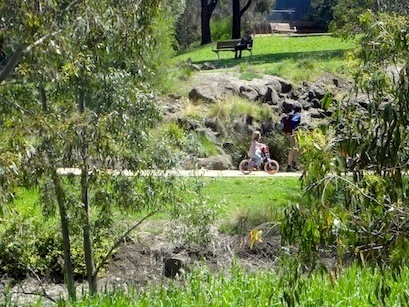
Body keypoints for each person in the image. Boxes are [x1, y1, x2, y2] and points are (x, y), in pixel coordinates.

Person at [283, 106, 302, 172]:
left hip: (288, 133)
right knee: (293, 149)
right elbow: (293, 121)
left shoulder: (290, 114)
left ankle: (294, 165)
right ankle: (289, 166)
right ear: (300, 110)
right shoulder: (298, 115)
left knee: (295, 149)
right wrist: (293, 131)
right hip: (292, 134)